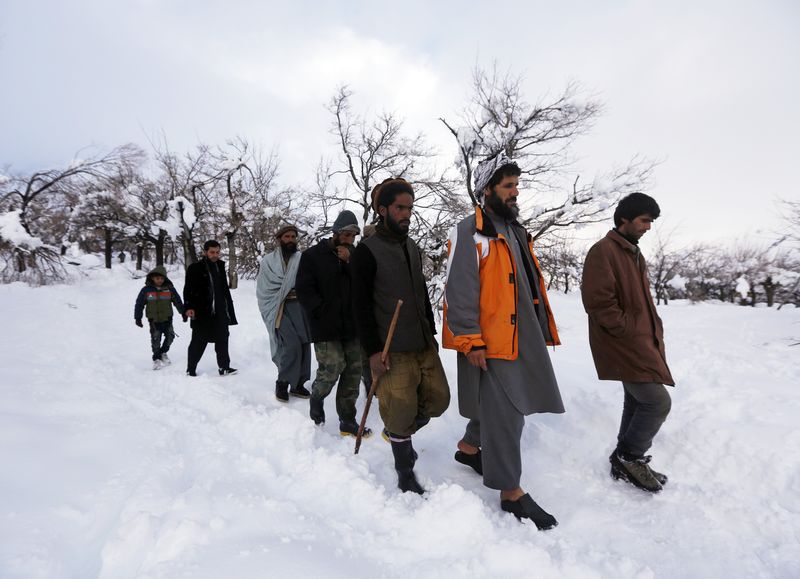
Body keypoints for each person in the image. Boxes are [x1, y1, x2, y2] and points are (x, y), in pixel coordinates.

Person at [443, 153, 564, 530]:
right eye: (508, 186)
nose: (515, 193)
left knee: (498, 403)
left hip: (520, 335)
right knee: (509, 412)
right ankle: (511, 493)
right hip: (490, 341)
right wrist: (471, 340)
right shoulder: (470, 231)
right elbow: (459, 290)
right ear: (487, 190)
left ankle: (468, 449)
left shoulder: (514, 230)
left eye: (516, 186)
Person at [351, 178, 450, 494]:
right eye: (400, 208)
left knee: (439, 399)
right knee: (398, 413)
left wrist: (430, 332)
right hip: (390, 349)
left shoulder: (412, 247)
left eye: (409, 207)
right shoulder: (366, 252)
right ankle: (405, 469)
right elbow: (360, 306)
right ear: (383, 210)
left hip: (421, 342)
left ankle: (401, 434)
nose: (407, 213)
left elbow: (420, 293)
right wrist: (372, 351)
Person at [581, 192, 674, 493]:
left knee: (636, 400)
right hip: (622, 343)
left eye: (651, 221)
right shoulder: (603, 252)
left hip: (639, 341)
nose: (648, 226)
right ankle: (630, 457)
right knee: (657, 402)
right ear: (625, 219)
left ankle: (624, 462)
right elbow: (598, 303)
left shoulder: (633, 253)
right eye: (644, 220)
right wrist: (627, 329)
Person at [295, 210, 370, 437]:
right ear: (335, 232)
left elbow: (365, 286)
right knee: (332, 368)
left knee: (353, 374)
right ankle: (317, 397)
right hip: (325, 326)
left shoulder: (357, 256)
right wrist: (320, 311)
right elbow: (304, 290)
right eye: (345, 234)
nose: (349, 239)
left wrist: (349, 263)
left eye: (353, 235)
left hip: (353, 326)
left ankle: (347, 420)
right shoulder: (312, 256)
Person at [256, 224, 312, 402]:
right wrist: (283, 292)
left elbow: (308, 281)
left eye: (293, 237)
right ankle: (282, 382)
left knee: (303, 344)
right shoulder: (268, 261)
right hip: (279, 308)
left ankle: (298, 384)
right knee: (291, 345)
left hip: (299, 307)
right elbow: (264, 288)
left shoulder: (301, 259)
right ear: (280, 239)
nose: (290, 240)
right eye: (287, 237)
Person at [183, 240, 238, 377]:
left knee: (222, 339)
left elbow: (224, 290)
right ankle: (191, 369)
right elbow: (188, 289)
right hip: (201, 311)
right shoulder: (195, 268)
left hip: (220, 311)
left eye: (217, 252)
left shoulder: (220, 266)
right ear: (205, 252)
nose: (215, 255)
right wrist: (189, 306)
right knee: (198, 341)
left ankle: (224, 367)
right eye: (212, 252)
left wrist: (227, 310)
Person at [134, 265, 186, 370]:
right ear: (152, 278)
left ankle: (163, 352)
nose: (160, 280)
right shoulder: (146, 290)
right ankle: (156, 358)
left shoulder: (169, 289)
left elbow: (177, 301)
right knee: (155, 339)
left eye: (162, 278)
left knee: (170, 336)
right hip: (154, 320)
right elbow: (139, 304)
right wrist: (138, 318)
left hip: (167, 318)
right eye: (157, 278)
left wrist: (183, 313)